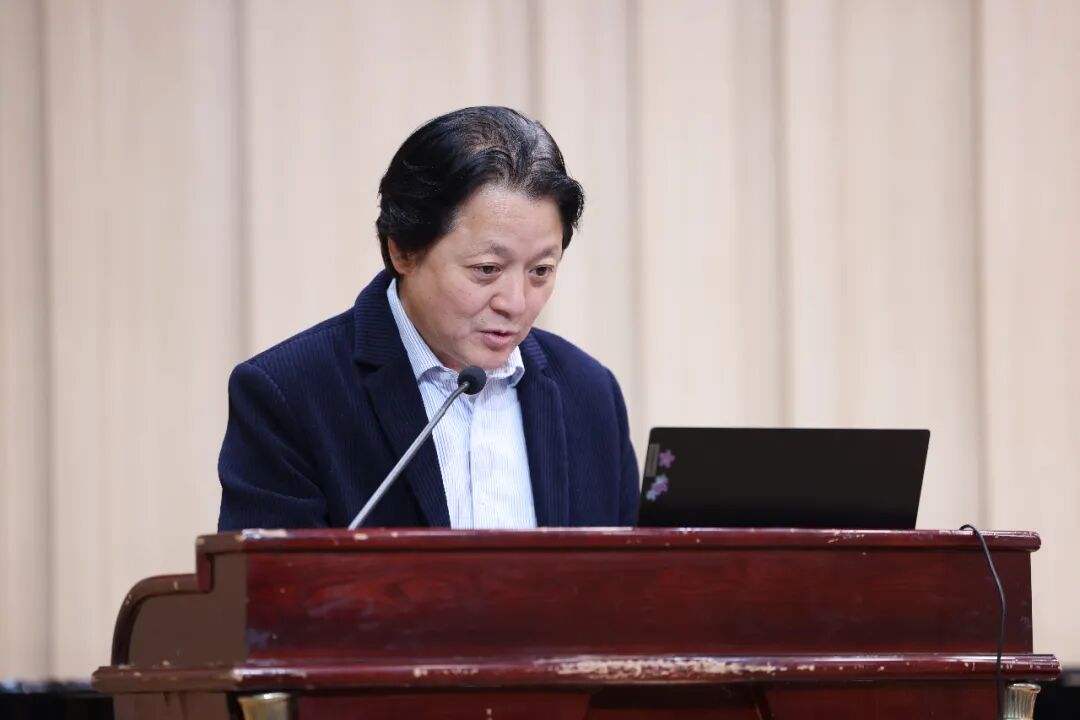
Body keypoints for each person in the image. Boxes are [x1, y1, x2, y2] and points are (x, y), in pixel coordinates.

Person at [217, 106, 639, 530]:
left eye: (541, 271)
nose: (515, 303)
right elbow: (271, 572)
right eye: (487, 269)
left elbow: (631, 568)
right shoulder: (290, 395)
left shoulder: (590, 394)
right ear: (403, 250)